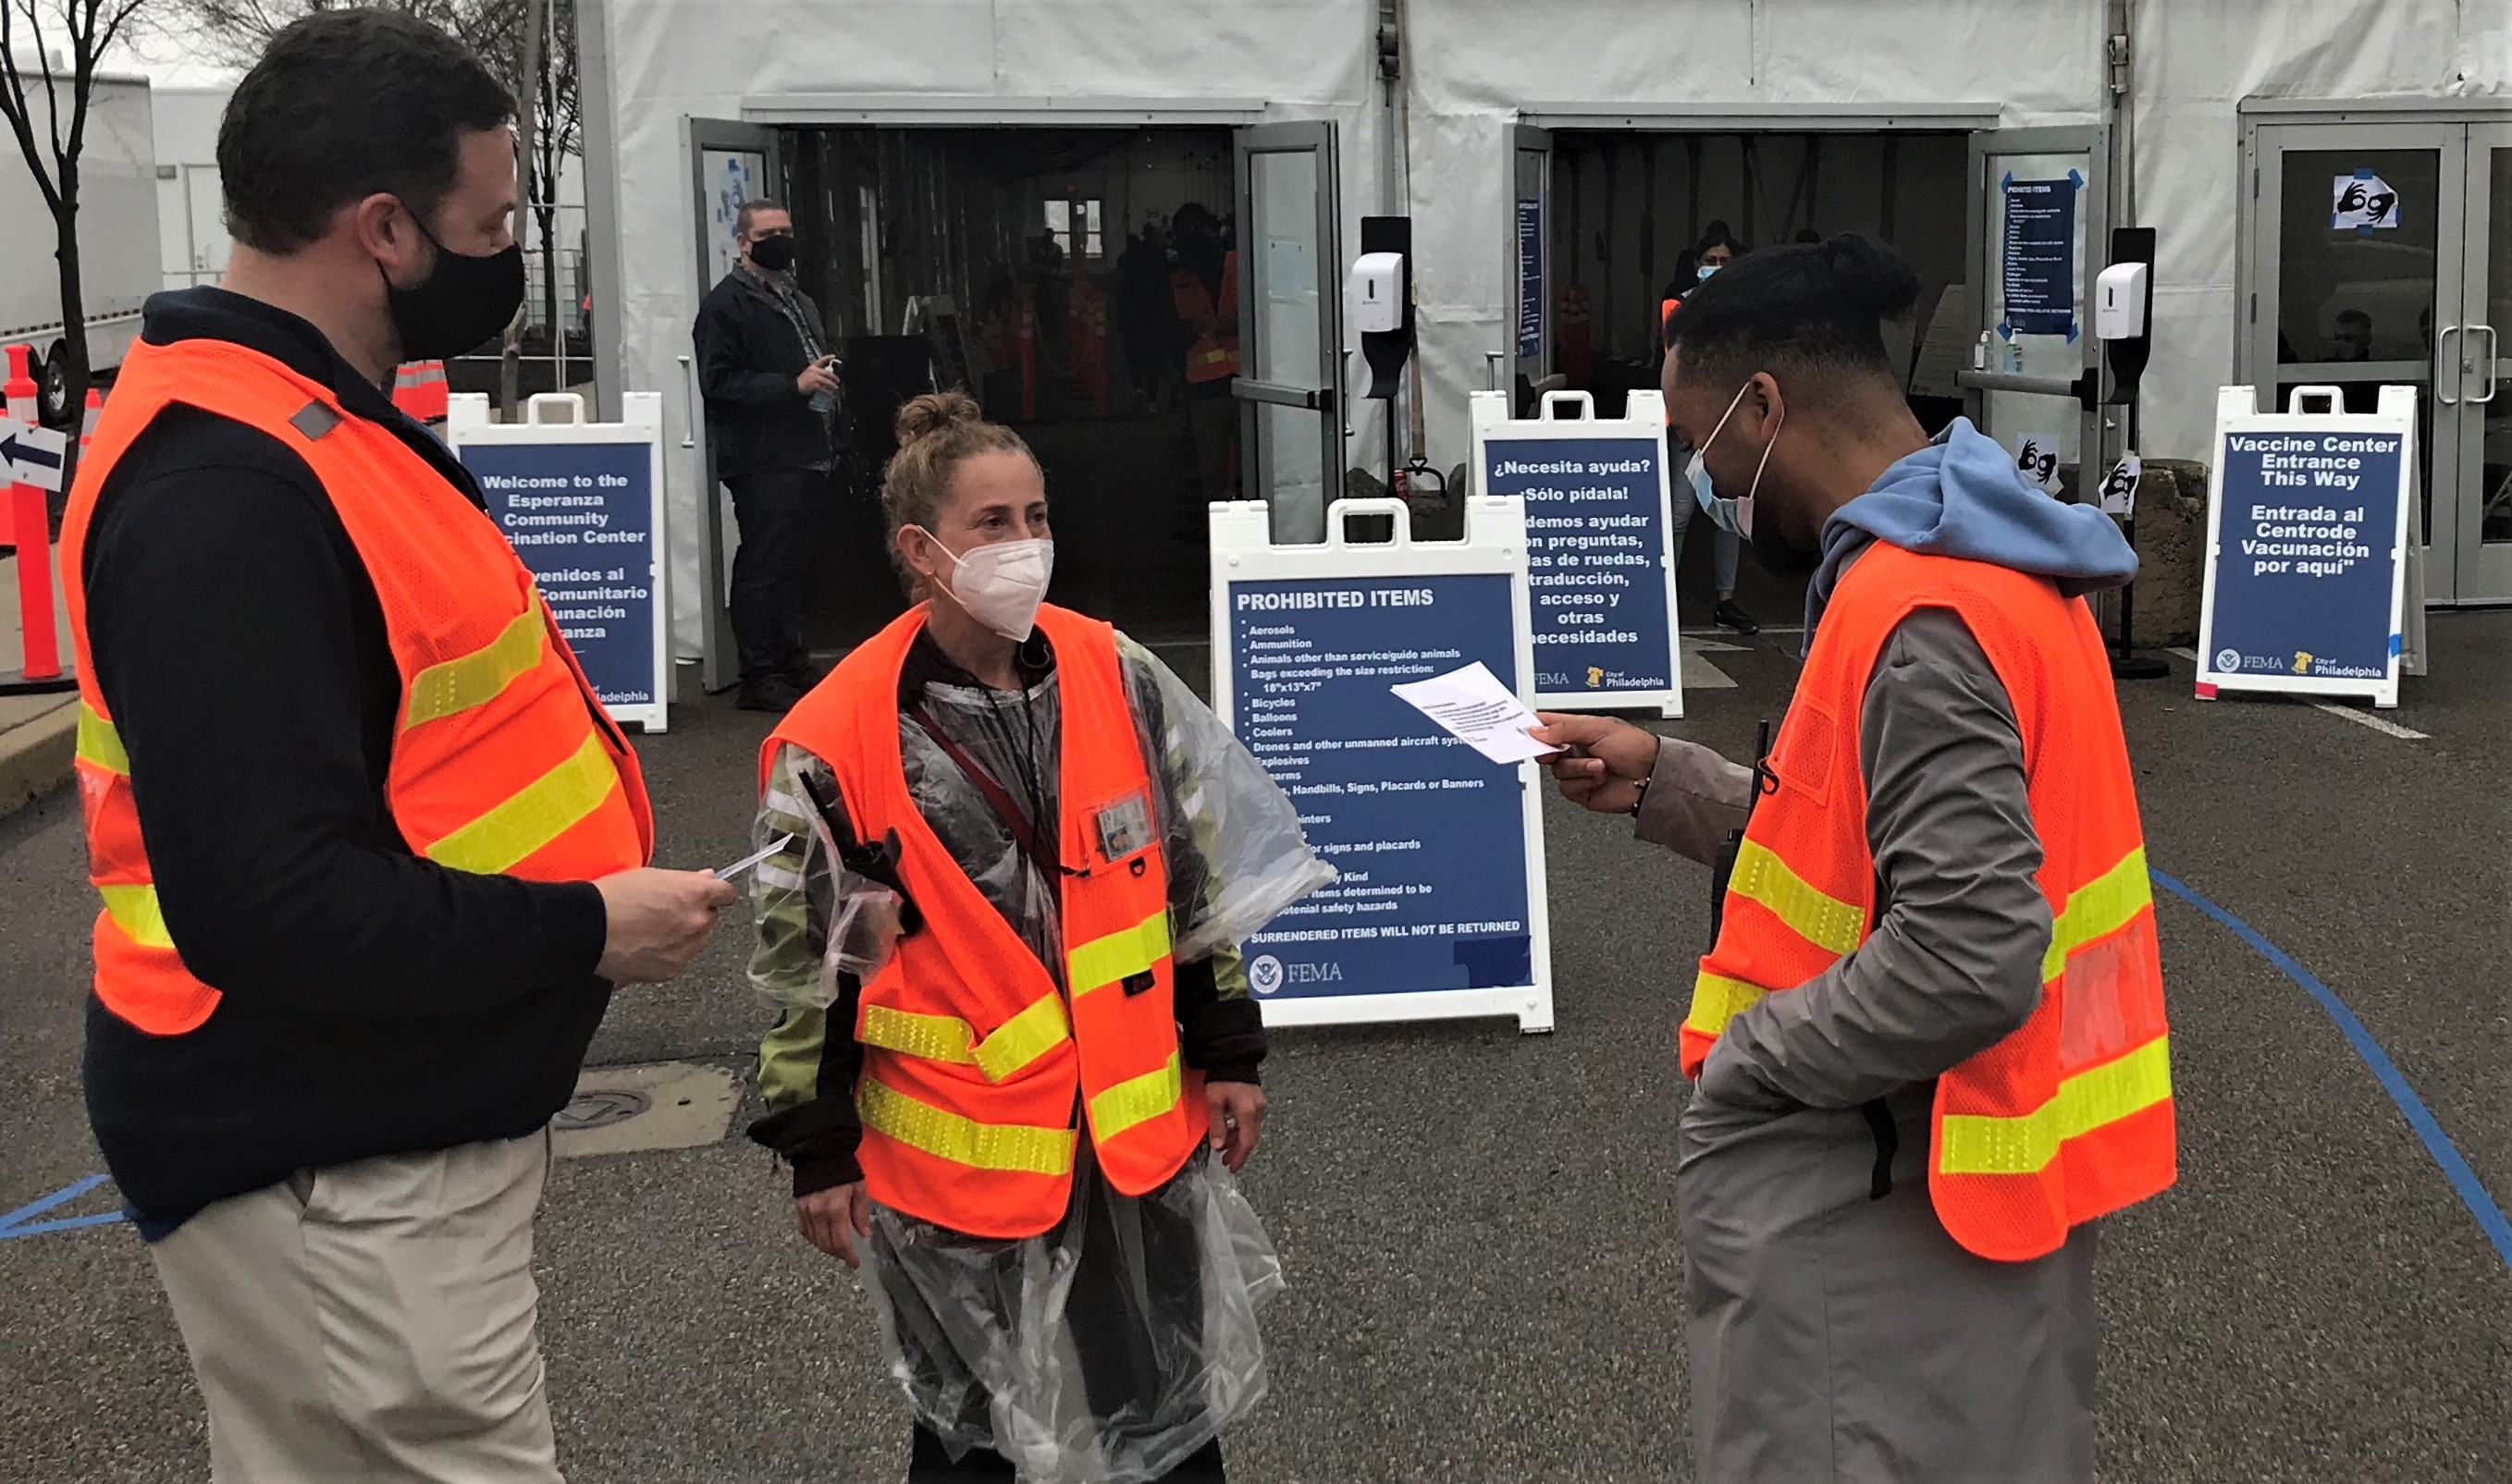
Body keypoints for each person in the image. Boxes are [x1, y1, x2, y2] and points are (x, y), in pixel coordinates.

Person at [55, 14, 734, 1481]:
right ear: (382, 230)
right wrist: (582, 929)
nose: (507, 253)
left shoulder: (307, 422)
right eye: (490, 223)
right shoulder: (224, 489)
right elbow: (272, 902)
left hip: (378, 1139)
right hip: (329, 1168)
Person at [1535, 234, 2175, 1483]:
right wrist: (1668, 778)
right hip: (1963, 1195)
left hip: (1881, 1203)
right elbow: (1850, 835)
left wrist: (1751, 1063)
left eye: (1701, 438)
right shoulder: (1980, 557)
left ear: (1766, 408)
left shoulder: (1916, 609)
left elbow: (1967, 952)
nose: (1703, 475)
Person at [745, 392, 1329, 1483]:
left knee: (1166, 1408)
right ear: (920, 551)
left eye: (1037, 516)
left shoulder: (1113, 672)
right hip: (964, 1158)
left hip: (1129, 1136)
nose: (1027, 546)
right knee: (971, 1437)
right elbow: (806, 965)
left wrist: (1230, 1047)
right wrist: (816, 1149)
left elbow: (1186, 878)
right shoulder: (833, 739)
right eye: (994, 523)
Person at [695, 196, 843, 711]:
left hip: (806, 449)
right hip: (762, 456)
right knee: (763, 563)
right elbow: (719, 384)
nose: (780, 241)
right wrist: (792, 384)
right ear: (742, 244)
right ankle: (759, 674)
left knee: (793, 562)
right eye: (767, 235)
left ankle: (789, 658)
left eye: (785, 230)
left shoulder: (795, 298)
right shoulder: (725, 306)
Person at [1660, 223, 1759, 635]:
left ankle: (1726, 600)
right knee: (1680, 513)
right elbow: (1678, 358)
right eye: (1709, 261)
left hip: (1729, 423)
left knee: (1728, 515)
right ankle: (1665, 599)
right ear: (1695, 264)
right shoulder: (1675, 304)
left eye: (1724, 262)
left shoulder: (1748, 305)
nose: (1716, 268)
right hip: (1687, 425)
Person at [1170, 202, 1240, 500]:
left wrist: (1240, 324)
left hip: (1245, 383)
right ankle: (1218, 535)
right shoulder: (1175, 276)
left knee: (1247, 471)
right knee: (1214, 475)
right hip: (1205, 386)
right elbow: (1165, 330)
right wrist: (1188, 330)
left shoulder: (1239, 265)